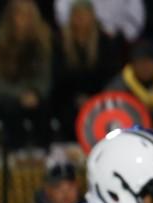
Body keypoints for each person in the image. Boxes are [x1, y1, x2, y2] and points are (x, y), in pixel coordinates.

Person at [0, 0, 53, 150]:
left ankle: (43, 157)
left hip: (34, 98)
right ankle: (13, 159)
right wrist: (19, 95)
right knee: (11, 113)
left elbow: (45, 77)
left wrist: (35, 93)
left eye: (27, 15)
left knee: (44, 112)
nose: (23, 20)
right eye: (19, 14)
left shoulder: (43, 42)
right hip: (2, 98)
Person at [50, 0, 123, 140]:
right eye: (77, 15)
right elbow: (58, 76)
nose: (81, 20)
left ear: (92, 17)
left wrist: (93, 99)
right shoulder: (60, 41)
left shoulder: (104, 41)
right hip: (68, 99)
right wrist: (76, 98)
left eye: (84, 15)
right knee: (68, 113)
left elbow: (110, 75)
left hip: (98, 99)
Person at [106, 41, 153, 130]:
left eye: (149, 62)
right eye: (141, 62)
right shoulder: (117, 88)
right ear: (133, 65)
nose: (145, 67)